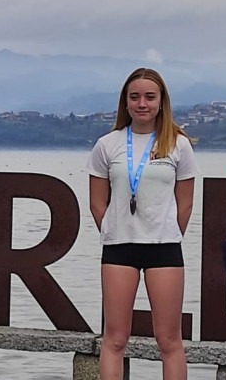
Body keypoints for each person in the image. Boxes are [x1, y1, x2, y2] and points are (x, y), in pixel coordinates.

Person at [86, 68, 199, 380]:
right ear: (125, 102)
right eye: (134, 97)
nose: (142, 103)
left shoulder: (178, 145)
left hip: (164, 249)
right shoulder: (107, 145)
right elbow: (97, 202)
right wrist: (112, 230)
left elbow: (185, 203)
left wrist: (166, 230)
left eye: (150, 97)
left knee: (169, 340)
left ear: (162, 101)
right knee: (115, 338)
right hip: (119, 248)